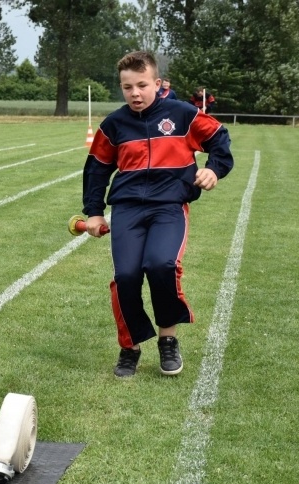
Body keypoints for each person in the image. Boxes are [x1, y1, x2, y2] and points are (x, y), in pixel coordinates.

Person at [81, 51, 234, 378]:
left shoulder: (183, 114)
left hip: (169, 207)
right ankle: (130, 348)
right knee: (126, 277)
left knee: (161, 264)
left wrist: (214, 170)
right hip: (127, 209)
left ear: (158, 83)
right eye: (127, 87)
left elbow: (219, 138)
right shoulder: (114, 124)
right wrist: (94, 212)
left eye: (142, 85)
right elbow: (96, 169)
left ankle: (168, 340)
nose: (135, 93)